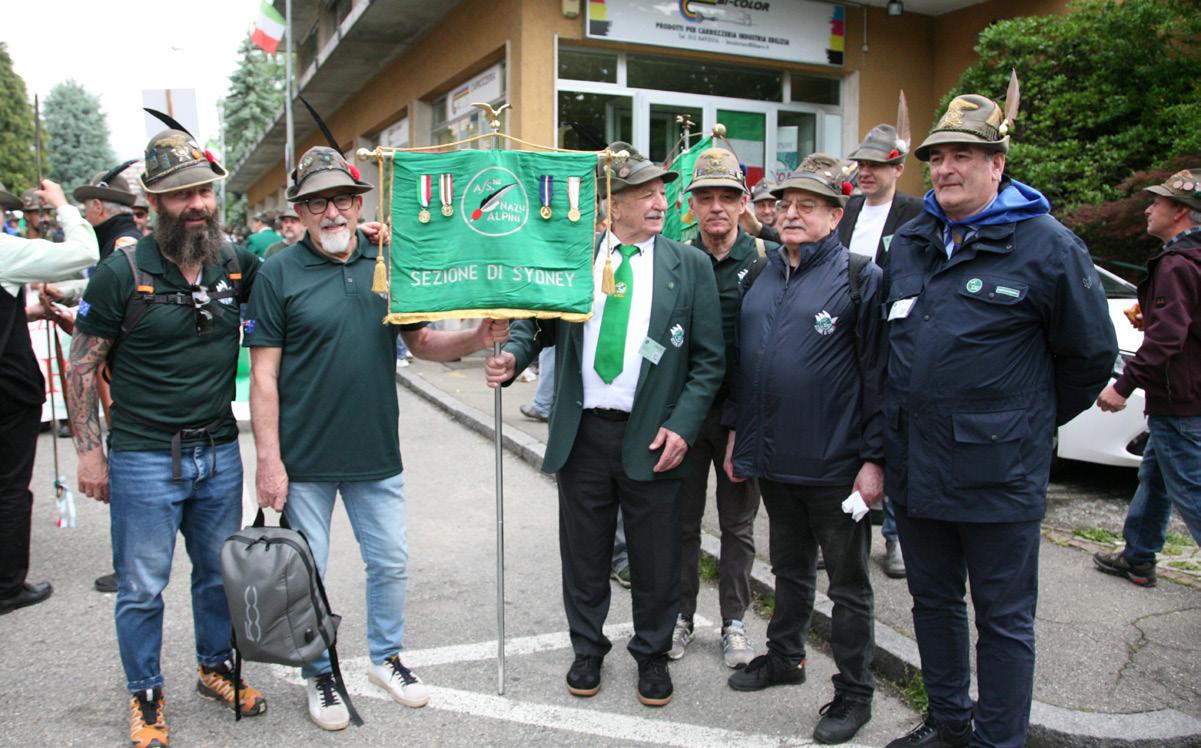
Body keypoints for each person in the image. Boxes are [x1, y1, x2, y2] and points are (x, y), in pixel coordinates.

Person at [881, 85, 1117, 748]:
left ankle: (998, 740)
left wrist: (1023, 423)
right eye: (937, 157)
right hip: (915, 464)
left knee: (1004, 619)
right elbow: (888, 350)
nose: (946, 168)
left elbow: (1089, 356)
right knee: (932, 604)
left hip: (998, 474)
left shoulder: (1047, 246)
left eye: (963, 155)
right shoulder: (912, 240)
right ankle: (948, 723)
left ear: (997, 164)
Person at [245, 145, 508, 731]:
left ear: (359, 202)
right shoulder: (277, 273)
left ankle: (386, 658)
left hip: (375, 452)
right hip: (305, 457)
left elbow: (421, 344)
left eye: (342, 199)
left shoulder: (389, 260)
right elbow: (263, 376)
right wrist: (268, 461)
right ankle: (319, 672)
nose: (332, 212)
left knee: (389, 562)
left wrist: (475, 336)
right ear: (300, 212)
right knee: (307, 574)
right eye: (317, 202)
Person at [484, 142, 724, 708]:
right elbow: (535, 323)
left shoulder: (689, 265)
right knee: (585, 555)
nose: (659, 202)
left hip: (654, 436)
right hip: (584, 434)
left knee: (656, 557)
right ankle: (587, 648)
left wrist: (684, 426)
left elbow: (710, 360)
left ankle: (652, 654)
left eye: (661, 192)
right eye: (645, 193)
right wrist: (513, 355)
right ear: (611, 204)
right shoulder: (574, 257)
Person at [67, 128, 268, 748]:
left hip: (219, 452)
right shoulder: (120, 272)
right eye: (182, 195)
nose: (197, 204)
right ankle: (146, 694)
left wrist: (366, 242)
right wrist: (90, 454)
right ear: (152, 204)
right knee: (141, 587)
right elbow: (81, 367)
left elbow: (297, 286)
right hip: (144, 456)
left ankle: (214, 668)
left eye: (203, 191)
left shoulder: (236, 262)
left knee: (216, 574)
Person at [722, 153, 885, 744]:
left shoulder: (860, 277)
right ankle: (785, 657)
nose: (791, 214)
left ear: (835, 216)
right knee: (789, 570)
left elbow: (880, 375)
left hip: (837, 467)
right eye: (785, 204)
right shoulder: (762, 273)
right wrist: (737, 434)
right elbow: (745, 367)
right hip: (775, 461)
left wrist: (875, 460)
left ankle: (855, 693)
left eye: (807, 206)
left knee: (847, 586)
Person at [669, 147, 773, 670]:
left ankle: (734, 622)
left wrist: (747, 426)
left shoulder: (765, 260)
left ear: (742, 203)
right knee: (681, 523)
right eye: (705, 197)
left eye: (726, 197)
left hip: (742, 419)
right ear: (690, 205)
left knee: (737, 527)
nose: (716, 207)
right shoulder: (676, 259)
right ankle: (681, 616)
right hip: (687, 417)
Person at [1093, 168, 1201, 586]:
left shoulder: (1176, 264)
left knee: (1191, 491)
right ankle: (1138, 557)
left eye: (1158, 202)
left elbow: (1168, 338)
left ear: (1180, 211)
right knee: (1155, 478)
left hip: (1180, 400)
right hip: (1188, 394)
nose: (1148, 209)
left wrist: (1123, 386)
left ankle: (1138, 555)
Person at [0, 178, 98, 617]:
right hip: (8, 390)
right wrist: (62, 205)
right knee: (9, 487)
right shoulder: (4, 249)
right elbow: (83, 252)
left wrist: (27, 312)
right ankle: (7, 586)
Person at [841, 121, 924, 580]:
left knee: (892, 432)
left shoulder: (916, 212)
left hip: (893, 334)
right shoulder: (847, 209)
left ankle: (895, 536)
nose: (865, 172)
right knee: (848, 430)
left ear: (898, 168)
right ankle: (841, 529)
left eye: (875, 165)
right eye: (861, 164)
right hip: (847, 335)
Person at [74, 165, 141, 263]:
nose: (86, 216)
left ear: (98, 206)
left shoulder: (124, 244)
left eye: (86, 209)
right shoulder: (116, 240)